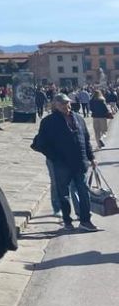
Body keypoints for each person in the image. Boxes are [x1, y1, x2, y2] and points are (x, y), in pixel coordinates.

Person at [32, 94, 99, 231]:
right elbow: (40, 143)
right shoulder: (48, 121)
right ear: (55, 105)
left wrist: (91, 158)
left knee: (84, 191)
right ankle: (67, 220)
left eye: (67, 103)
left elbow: (86, 140)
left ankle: (85, 220)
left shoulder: (79, 119)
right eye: (62, 103)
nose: (65, 106)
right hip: (61, 164)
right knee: (63, 193)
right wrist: (54, 156)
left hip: (80, 162)